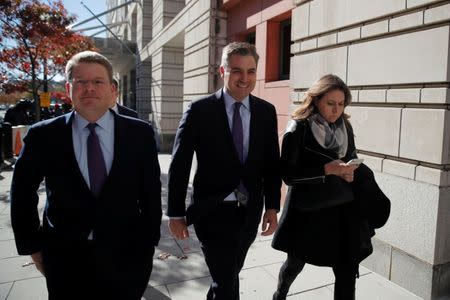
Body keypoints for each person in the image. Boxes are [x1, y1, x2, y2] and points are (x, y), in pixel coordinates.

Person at [10, 51, 162, 300]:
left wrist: (149, 242)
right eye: (80, 82)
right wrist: (33, 246)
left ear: (113, 89)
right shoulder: (43, 136)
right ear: (69, 89)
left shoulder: (140, 134)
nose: (89, 88)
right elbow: (22, 192)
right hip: (65, 260)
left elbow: (151, 193)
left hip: (127, 256)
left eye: (98, 81)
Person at [167, 41, 281, 300]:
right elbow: (180, 163)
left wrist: (272, 206)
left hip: (249, 211)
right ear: (222, 71)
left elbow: (271, 163)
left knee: (227, 276)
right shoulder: (199, 110)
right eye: (237, 71)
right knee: (226, 280)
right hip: (211, 211)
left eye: (251, 71)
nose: (245, 78)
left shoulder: (266, 111)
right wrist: (175, 213)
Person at [271, 74, 390, 300]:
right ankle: (280, 293)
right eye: (330, 103)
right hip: (309, 209)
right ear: (315, 100)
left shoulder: (345, 126)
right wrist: (325, 170)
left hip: (343, 206)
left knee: (347, 266)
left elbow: (350, 154)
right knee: (295, 262)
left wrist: (350, 170)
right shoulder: (298, 129)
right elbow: (288, 175)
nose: (336, 110)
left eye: (341, 104)